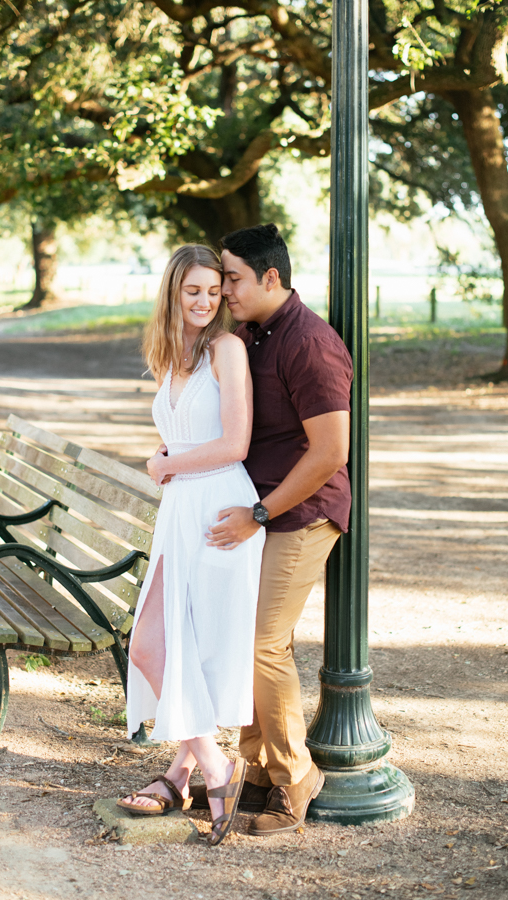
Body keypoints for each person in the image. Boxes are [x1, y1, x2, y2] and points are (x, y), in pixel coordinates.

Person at [192, 223, 353, 836]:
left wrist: (259, 514)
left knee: (263, 643)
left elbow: (329, 451)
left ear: (271, 277)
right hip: (255, 510)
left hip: (301, 513)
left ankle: (295, 777)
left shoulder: (310, 343)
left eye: (232, 278)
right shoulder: (248, 336)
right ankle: (255, 767)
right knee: (242, 638)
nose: (224, 290)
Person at [117, 244, 266, 846]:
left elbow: (236, 442)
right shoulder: (167, 355)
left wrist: (166, 462)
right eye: (192, 292)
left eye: (212, 291)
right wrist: (164, 461)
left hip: (217, 509)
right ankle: (208, 768)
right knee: (153, 643)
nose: (205, 302)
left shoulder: (225, 350)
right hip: (178, 510)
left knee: (186, 649)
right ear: (173, 293)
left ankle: (193, 771)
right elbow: (178, 433)